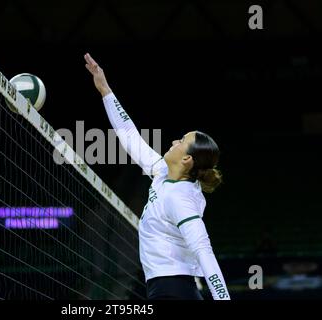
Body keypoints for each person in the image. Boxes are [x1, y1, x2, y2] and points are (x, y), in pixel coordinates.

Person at [84, 53, 230, 300]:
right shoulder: (163, 172)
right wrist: (105, 91)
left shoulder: (181, 198)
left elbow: (204, 251)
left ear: (187, 160)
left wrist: (223, 298)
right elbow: (130, 137)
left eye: (182, 141)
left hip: (173, 290)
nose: (174, 141)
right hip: (166, 287)